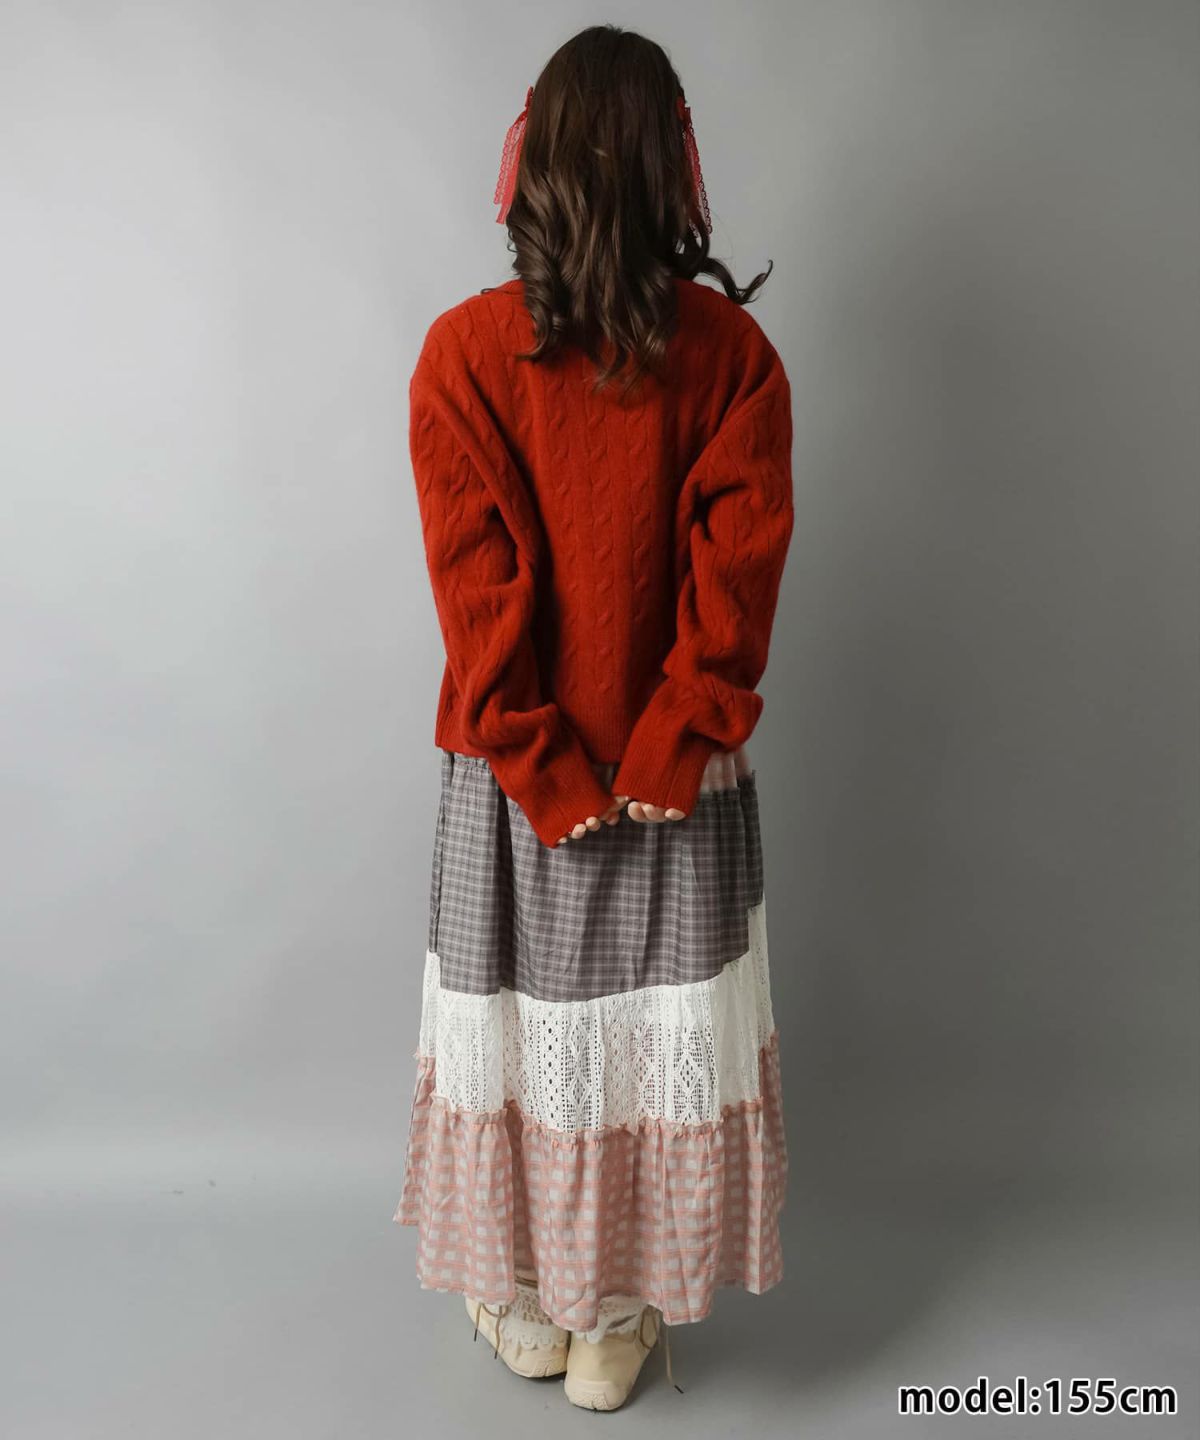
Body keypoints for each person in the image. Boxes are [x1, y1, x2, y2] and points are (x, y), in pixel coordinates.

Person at [393, 23, 794, 1412]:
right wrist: (673, 740)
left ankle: (524, 1297)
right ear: (675, 166)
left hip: (514, 779)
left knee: (522, 1037)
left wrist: (543, 763)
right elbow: (735, 586)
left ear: (539, 162)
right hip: (674, 772)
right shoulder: (735, 356)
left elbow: (477, 598)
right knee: (649, 1050)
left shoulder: (460, 354)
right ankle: (619, 1316)